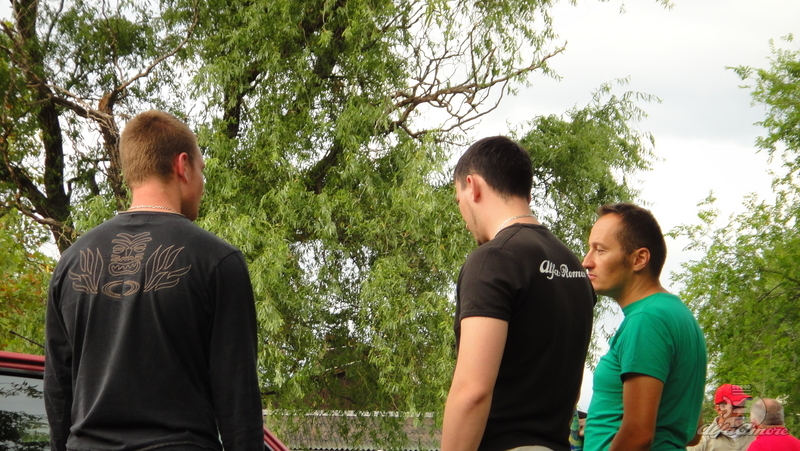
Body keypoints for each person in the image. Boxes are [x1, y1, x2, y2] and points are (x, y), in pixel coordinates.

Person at [44, 110, 264, 451]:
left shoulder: (71, 262)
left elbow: (58, 389)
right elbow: (238, 401)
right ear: (183, 166)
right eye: (202, 169)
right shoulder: (217, 261)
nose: (202, 183)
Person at [441, 136, 595, 451]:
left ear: (473, 186)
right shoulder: (574, 268)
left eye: (458, 200)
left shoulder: (493, 259)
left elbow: (472, 392)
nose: (463, 216)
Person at [581, 203, 707, 451]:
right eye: (589, 249)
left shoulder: (647, 319)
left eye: (600, 250)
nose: (587, 262)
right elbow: (693, 432)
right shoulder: (679, 316)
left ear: (639, 259)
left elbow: (638, 435)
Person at [689, 384, 755, 451]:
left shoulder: (754, 433)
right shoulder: (703, 438)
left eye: (743, 406)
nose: (740, 412)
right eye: (735, 407)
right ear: (719, 409)